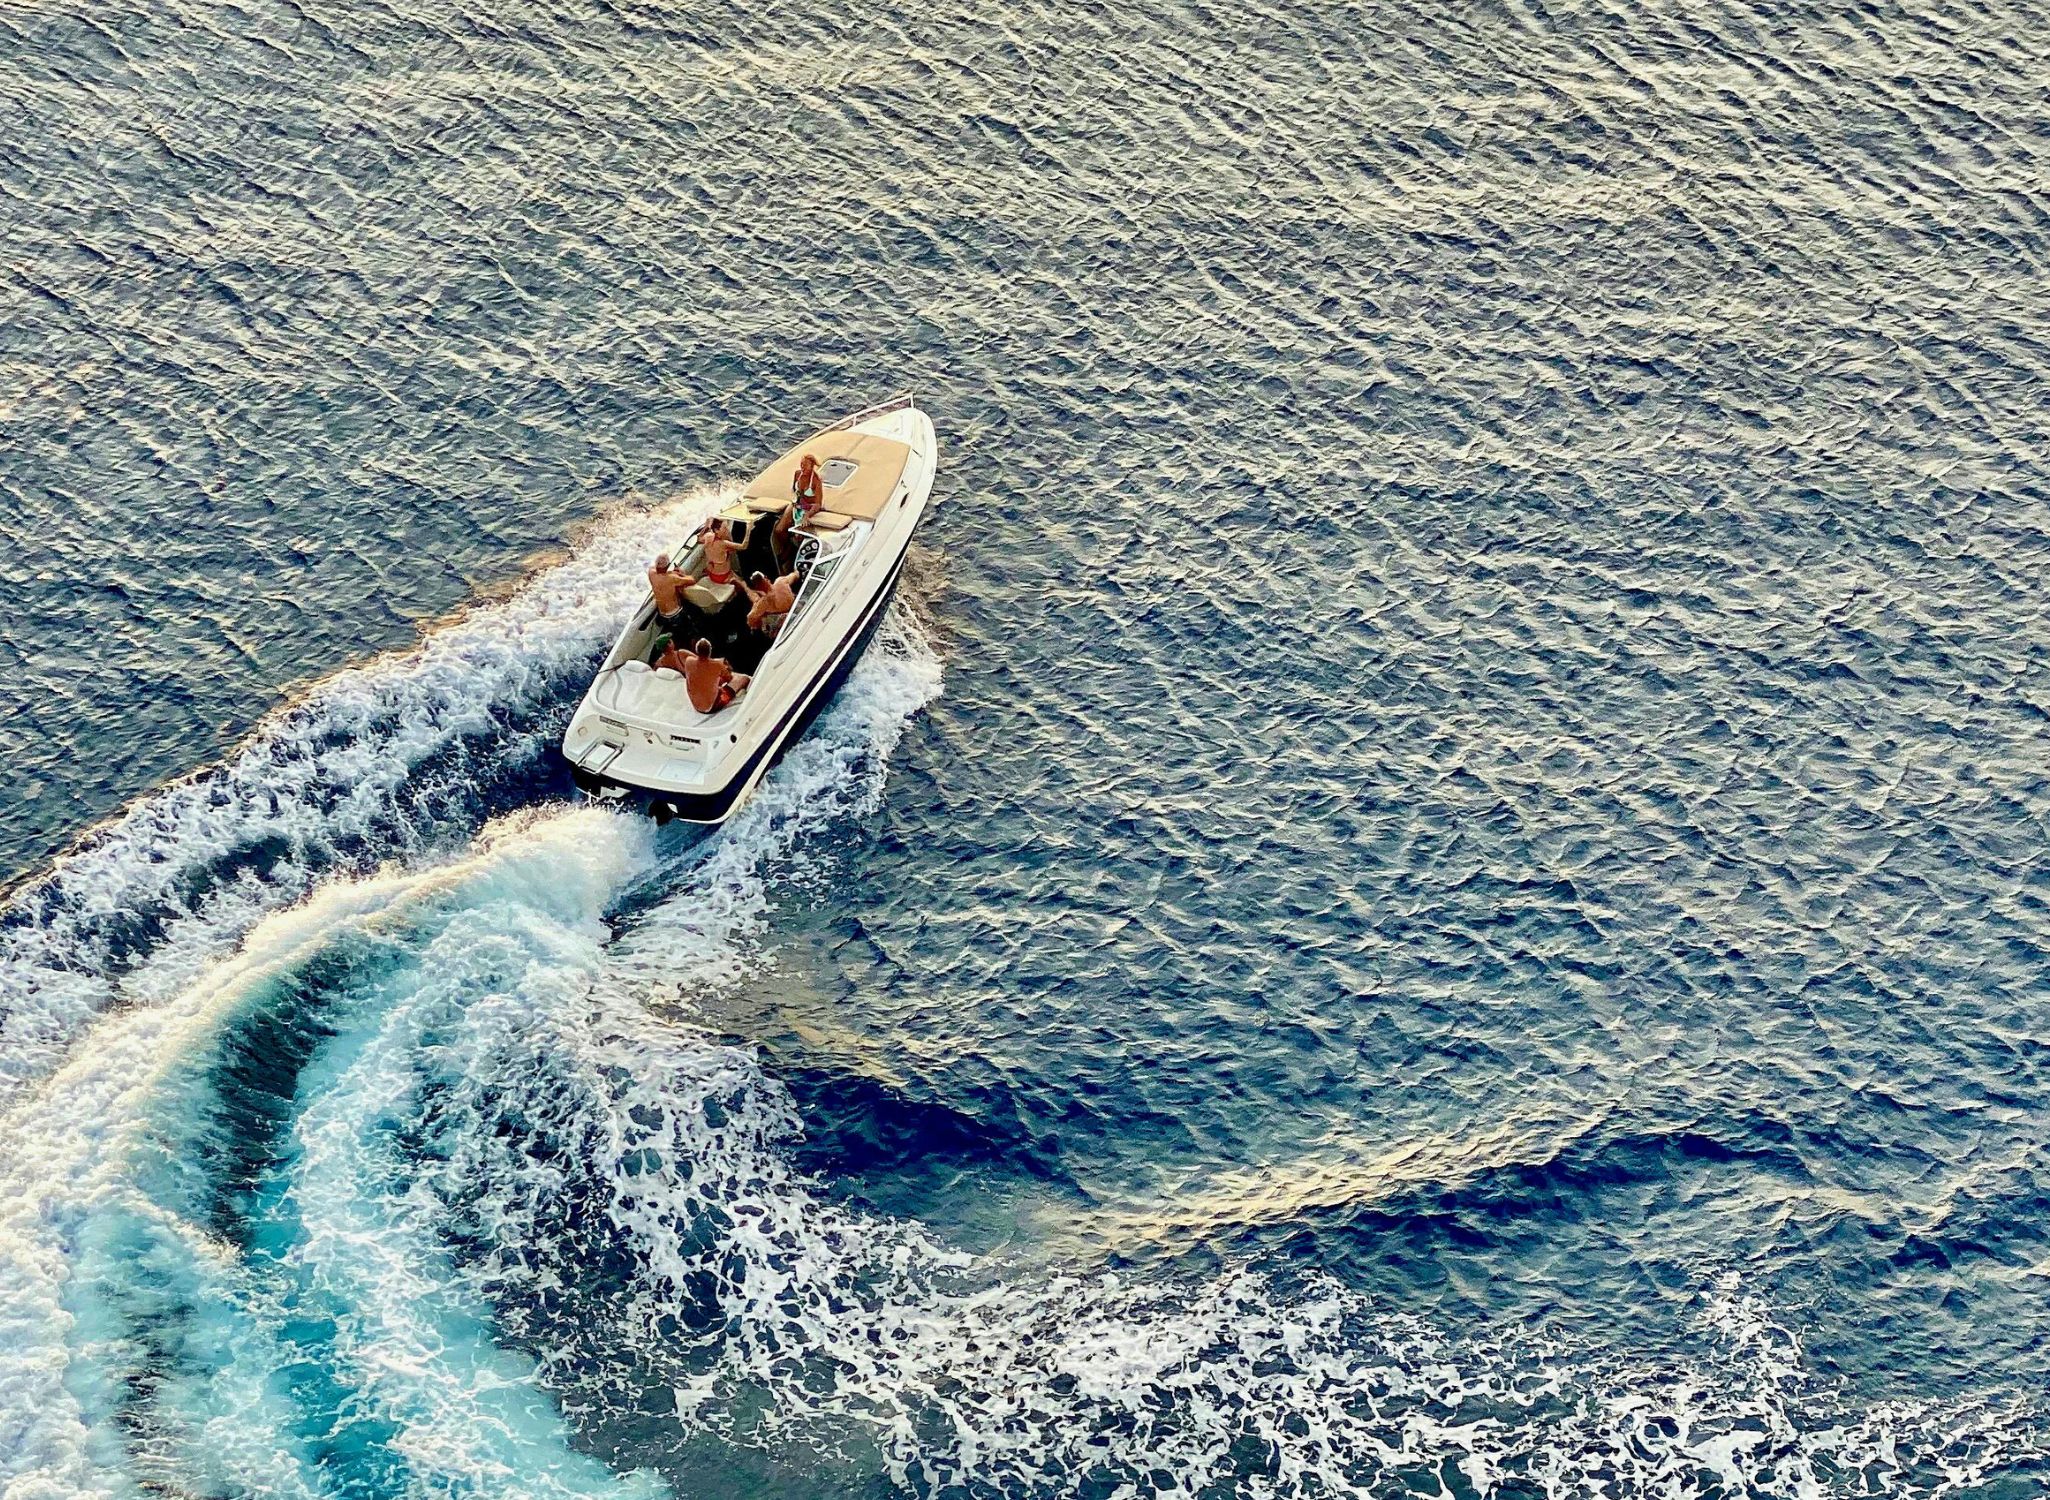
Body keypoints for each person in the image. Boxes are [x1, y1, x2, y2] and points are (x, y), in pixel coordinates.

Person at [773, 453, 825, 572]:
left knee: (800, 536)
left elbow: (818, 504)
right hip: (796, 505)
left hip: (809, 508)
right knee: (779, 530)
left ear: (812, 466)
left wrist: (807, 515)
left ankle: (797, 557)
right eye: (801, 465)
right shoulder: (797, 474)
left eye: (805, 465)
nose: (802, 468)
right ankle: (787, 548)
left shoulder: (816, 481)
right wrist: (796, 503)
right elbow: (794, 490)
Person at [680, 637, 749, 714]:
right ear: (710, 651)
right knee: (744, 679)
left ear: (696, 650)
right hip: (712, 706)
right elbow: (729, 679)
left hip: (696, 705)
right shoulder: (717, 665)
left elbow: (702, 669)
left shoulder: (689, 661)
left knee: (714, 680)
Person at [681, 518, 743, 591]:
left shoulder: (708, 538)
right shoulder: (723, 543)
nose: (726, 530)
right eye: (725, 528)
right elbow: (741, 547)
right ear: (717, 530)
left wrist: (706, 528)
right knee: (741, 583)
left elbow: (699, 539)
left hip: (712, 573)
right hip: (722, 575)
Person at [745, 569, 799, 634]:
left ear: (757, 588)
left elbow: (750, 620)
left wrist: (762, 618)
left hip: (789, 624)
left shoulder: (763, 603)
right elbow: (796, 575)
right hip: (799, 610)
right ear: (766, 578)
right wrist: (796, 570)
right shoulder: (781, 581)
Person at [647, 554, 691, 633]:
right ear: (668, 566)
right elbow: (691, 580)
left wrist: (670, 572)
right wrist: (681, 573)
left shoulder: (651, 573)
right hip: (675, 614)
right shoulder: (672, 578)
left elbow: (656, 570)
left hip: (662, 615)